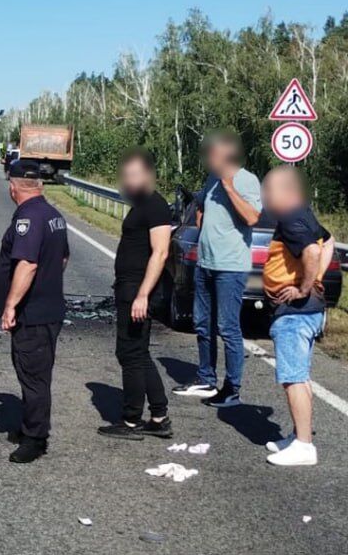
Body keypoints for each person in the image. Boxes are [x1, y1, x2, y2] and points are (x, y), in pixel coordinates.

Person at [173, 133, 261, 407]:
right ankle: (205, 379)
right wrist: (200, 215)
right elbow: (201, 206)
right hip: (206, 262)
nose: (209, 159)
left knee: (228, 327)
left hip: (231, 266)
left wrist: (229, 187)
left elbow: (252, 217)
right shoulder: (210, 179)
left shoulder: (246, 179)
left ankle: (232, 388)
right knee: (201, 323)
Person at [0, 159, 70, 463]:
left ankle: (35, 439)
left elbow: (27, 264)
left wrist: (11, 305)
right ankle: (29, 426)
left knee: (34, 377)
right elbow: (62, 258)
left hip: (33, 313)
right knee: (34, 373)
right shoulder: (54, 215)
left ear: (13, 187)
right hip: (49, 307)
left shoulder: (28, 219)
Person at [260, 167, 334, 467]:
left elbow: (312, 253)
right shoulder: (303, 213)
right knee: (300, 376)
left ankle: (304, 446)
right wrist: (315, 280)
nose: (265, 197)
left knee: (292, 378)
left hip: (294, 314)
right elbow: (327, 243)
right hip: (307, 311)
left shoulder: (291, 217)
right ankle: (297, 435)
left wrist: (304, 287)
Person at [98, 149, 173, 438]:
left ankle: (130, 420)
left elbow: (161, 252)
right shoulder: (142, 204)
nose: (128, 181)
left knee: (129, 352)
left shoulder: (155, 205)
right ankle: (158, 416)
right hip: (130, 286)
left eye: (133, 175)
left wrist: (142, 294)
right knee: (138, 353)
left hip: (139, 290)